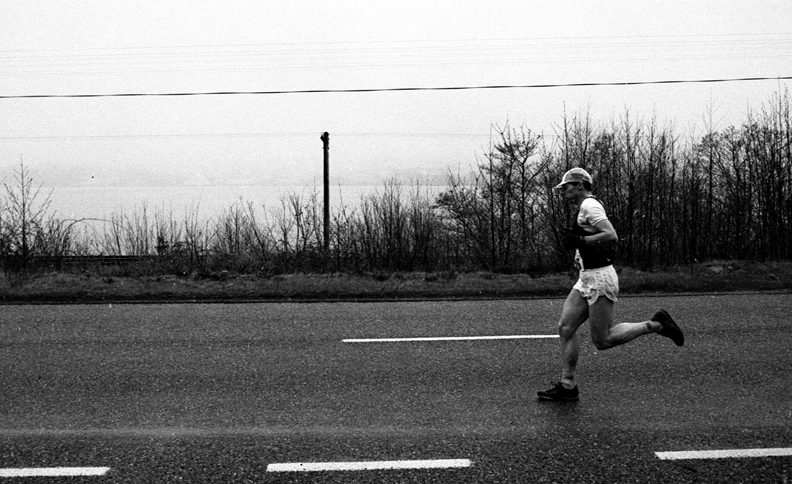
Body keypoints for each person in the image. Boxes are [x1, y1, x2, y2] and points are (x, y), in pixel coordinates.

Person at [537, 167, 684, 402]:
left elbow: (611, 235)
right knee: (565, 328)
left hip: (600, 279)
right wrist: (578, 243)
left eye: (566, 187)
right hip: (586, 278)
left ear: (579, 185)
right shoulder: (583, 208)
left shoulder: (590, 206)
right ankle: (567, 386)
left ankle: (656, 324)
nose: (562, 191)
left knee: (602, 340)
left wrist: (580, 240)